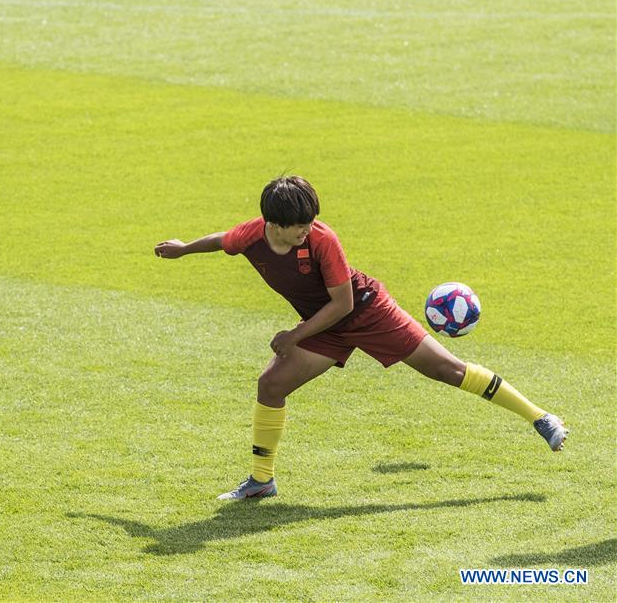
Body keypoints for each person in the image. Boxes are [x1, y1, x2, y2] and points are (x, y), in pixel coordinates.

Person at [154, 176, 568, 500]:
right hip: (323, 325)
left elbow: (343, 302)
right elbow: (222, 240)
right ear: (273, 224)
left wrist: (295, 334)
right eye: (299, 227)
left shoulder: (322, 239)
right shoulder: (252, 236)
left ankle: (540, 417)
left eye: (310, 223)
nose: (307, 231)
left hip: (367, 311)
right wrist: (184, 248)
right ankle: (262, 481)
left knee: (446, 369)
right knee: (271, 384)